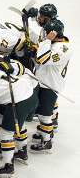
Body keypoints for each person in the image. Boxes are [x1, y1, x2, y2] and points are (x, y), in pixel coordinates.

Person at [0, 56, 39, 177]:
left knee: (6, 134)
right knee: (16, 122)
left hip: (20, 101)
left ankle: (8, 167)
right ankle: (22, 151)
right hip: (30, 94)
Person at [29, 19, 71, 154]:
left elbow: (43, 59)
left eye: (47, 32)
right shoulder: (57, 44)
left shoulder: (63, 49)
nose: (45, 34)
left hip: (50, 85)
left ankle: (46, 141)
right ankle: (43, 132)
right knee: (41, 111)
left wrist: (45, 42)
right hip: (43, 82)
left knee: (44, 115)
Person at [27, 3, 60, 132]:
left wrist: (36, 49)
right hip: (43, 65)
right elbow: (40, 23)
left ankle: (53, 117)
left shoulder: (52, 32)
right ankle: (51, 115)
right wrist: (33, 16)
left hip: (48, 67)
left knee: (50, 92)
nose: (39, 18)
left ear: (48, 19)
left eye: (41, 16)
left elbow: (46, 55)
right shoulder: (49, 25)